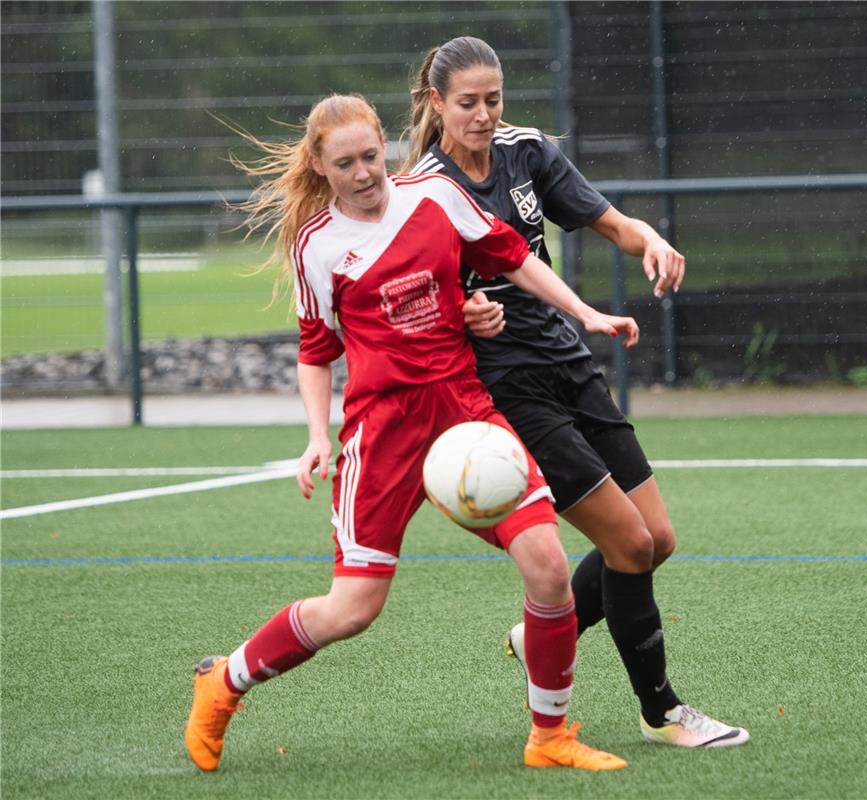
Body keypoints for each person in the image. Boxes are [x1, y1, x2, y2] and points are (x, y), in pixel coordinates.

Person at [183, 93, 640, 772]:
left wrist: (581, 311)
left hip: (464, 414)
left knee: (546, 566)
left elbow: (512, 256)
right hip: (383, 434)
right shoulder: (316, 247)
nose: (365, 173)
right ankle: (223, 682)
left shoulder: (434, 196)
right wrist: (316, 435)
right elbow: (315, 350)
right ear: (319, 164)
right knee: (352, 609)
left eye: (372, 156)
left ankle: (550, 737)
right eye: (346, 163)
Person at [403, 37, 749, 748]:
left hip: (569, 362)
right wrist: (462, 312)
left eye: (493, 100)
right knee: (626, 543)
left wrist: (647, 238)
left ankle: (545, 630)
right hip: (505, 385)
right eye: (467, 103)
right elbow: (415, 302)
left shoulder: (524, 152)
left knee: (657, 540)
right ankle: (662, 714)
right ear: (436, 102)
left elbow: (609, 222)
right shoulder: (421, 192)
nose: (482, 116)